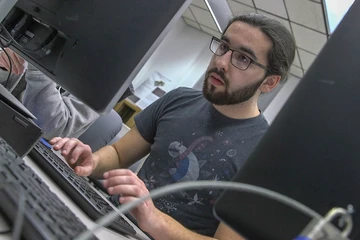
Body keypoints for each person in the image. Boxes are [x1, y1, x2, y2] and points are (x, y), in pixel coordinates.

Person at [50, 14, 296, 240]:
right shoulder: (178, 100)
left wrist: (155, 221)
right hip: (107, 222)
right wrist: (91, 161)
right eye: (223, 46)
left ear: (270, 82)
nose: (221, 62)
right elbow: (119, 154)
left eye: (243, 58)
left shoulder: (265, 158)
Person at [0, 49, 133, 143]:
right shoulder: (34, 20)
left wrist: (39, 62)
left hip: (23, 147)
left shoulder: (108, 74)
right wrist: (5, 60)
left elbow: (49, 127)